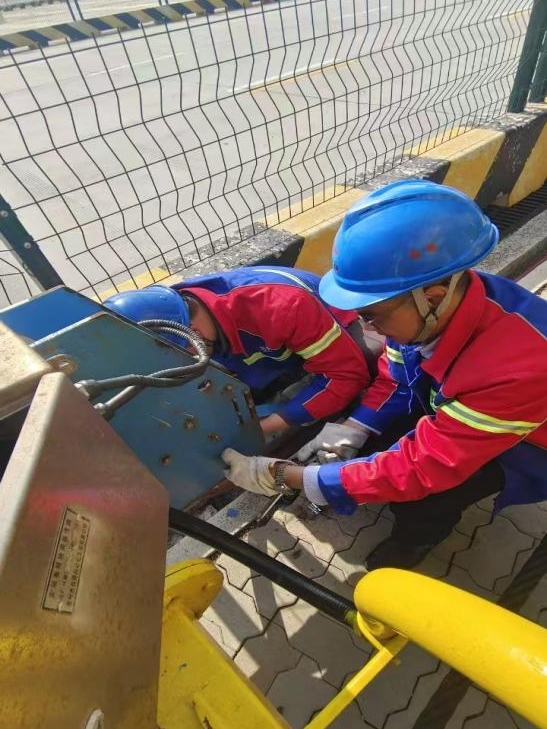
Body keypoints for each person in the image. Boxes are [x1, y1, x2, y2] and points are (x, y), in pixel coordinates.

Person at [222, 180, 547, 570]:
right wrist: (355, 427)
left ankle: (415, 541)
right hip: (465, 410)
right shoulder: (427, 313)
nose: (367, 327)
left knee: (430, 495)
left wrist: (288, 476)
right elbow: (397, 380)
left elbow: (426, 466)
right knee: (380, 446)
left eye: (371, 315)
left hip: (526, 444)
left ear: (432, 297)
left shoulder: (519, 367)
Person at [104, 266, 379, 435]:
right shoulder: (184, 313)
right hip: (270, 350)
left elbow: (345, 375)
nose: (183, 360)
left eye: (183, 353)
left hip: (332, 330)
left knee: (364, 365)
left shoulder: (281, 307)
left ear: (193, 334)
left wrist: (267, 427)